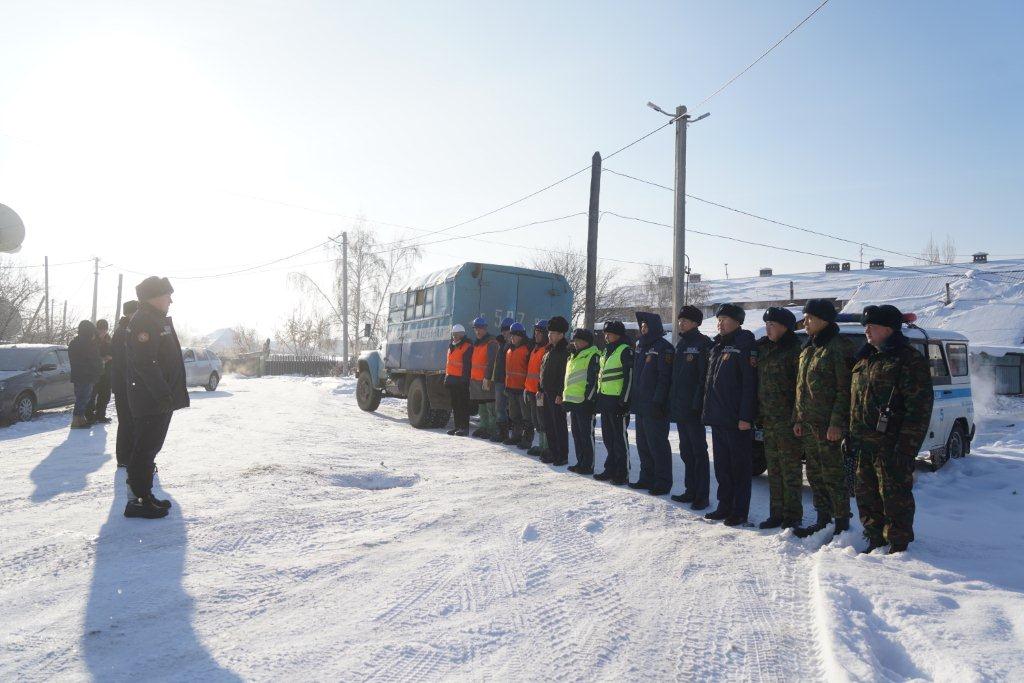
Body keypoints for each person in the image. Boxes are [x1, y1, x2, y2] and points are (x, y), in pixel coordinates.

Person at [850, 305, 933, 554]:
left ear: (888, 329)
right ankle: (875, 538)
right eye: (866, 326)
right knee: (866, 494)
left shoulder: (907, 359)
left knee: (894, 496)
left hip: (892, 444)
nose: (866, 331)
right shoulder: (865, 358)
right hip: (864, 443)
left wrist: (905, 448)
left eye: (871, 327)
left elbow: (919, 408)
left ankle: (898, 545)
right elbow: (855, 400)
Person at [125, 276, 189, 519]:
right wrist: (163, 394)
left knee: (150, 448)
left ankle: (144, 494)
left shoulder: (154, 319)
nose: (171, 300)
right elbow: (145, 364)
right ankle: (137, 500)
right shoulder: (144, 321)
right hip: (151, 399)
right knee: (145, 449)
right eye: (167, 295)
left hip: (158, 399)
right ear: (154, 297)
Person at [792, 299, 856, 538]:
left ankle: (841, 523)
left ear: (824, 321)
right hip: (809, 424)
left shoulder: (838, 347)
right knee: (814, 473)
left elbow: (844, 389)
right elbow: (801, 387)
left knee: (833, 474)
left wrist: (836, 423)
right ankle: (822, 518)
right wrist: (798, 418)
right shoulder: (809, 347)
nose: (805, 322)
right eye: (805, 317)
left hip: (828, 426)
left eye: (810, 318)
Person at [702, 304, 757, 526]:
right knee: (722, 467)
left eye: (724, 319)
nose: (720, 323)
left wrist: (745, 417)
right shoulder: (717, 347)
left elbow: (749, 385)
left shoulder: (744, 345)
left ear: (737, 321)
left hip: (737, 421)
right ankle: (724, 505)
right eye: (718, 319)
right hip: (718, 417)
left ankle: (739, 510)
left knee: (739, 468)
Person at [755, 307, 803, 530]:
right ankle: (776, 513)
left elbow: (801, 389)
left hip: (788, 420)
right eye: (766, 324)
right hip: (768, 419)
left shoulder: (796, 350)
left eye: (772, 325)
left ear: (785, 327)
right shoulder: (763, 348)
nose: (768, 328)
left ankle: (792, 516)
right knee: (773, 470)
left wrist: (797, 418)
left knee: (790, 471)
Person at [668, 306, 713, 509]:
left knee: (698, 452)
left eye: (685, 320)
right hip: (681, 407)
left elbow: (703, 379)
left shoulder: (702, 344)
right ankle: (690, 490)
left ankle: (702, 496)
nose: (681, 323)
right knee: (686, 451)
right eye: (680, 320)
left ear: (696, 323)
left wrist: (697, 405)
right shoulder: (681, 344)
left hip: (694, 410)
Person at [630, 312, 674, 496]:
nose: (643, 329)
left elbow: (665, 379)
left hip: (655, 407)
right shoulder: (640, 347)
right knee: (642, 444)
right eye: (641, 326)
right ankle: (646, 478)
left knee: (657, 446)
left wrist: (658, 402)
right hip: (640, 405)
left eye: (646, 326)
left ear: (654, 327)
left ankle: (662, 482)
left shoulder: (664, 348)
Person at [594, 321, 633, 484]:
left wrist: (624, 402)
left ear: (618, 334)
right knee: (608, 438)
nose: (606, 336)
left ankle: (622, 473)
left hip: (617, 402)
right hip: (605, 401)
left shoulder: (625, 350)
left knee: (619, 439)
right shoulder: (606, 350)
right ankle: (610, 469)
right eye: (605, 333)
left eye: (609, 333)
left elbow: (629, 378)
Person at [564, 328, 601, 475]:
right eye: (574, 340)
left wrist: (589, 399)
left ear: (586, 342)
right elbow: (569, 380)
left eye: (578, 340)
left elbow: (593, 380)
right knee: (577, 434)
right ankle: (580, 461)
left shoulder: (593, 355)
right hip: (574, 402)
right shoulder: (572, 356)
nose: (575, 343)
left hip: (585, 403)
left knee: (586, 435)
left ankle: (588, 464)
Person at [539, 316, 571, 466]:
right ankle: (553, 452)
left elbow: (564, 374)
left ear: (561, 334)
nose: (549, 336)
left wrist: (560, 393)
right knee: (549, 424)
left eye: (553, 333)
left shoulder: (565, 351)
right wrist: (540, 387)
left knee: (559, 425)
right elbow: (544, 370)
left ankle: (562, 454)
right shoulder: (550, 349)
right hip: (546, 392)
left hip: (557, 394)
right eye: (549, 333)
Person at [110, 301, 139, 467]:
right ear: (130, 313)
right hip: (123, 384)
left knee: (128, 421)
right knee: (126, 421)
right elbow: (123, 362)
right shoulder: (123, 332)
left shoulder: (125, 329)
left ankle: (126, 457)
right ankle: (124, 458)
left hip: (125, 383)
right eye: (136, 312)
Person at [68, 320, 103, 429]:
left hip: (78, 374)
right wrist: (99, 368)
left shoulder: (74, 342)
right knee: (83, 398)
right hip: (86, 375)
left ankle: (81, 419)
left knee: (81, 397)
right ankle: (76, 420)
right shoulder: (87, 344)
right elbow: (93, 359)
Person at [469, 317, 500, 439]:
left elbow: (491, 362)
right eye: (476, 329)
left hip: (486, 380)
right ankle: (483, 427)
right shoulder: (477, 343)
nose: (478, 331)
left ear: (485, 329)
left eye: (480, 329)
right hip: (477, 380)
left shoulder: (491, 342)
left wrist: (487, 378)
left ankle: (492, 429)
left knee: (490, 405)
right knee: (482, 405)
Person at [503, 323, 533, 447]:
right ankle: (516, 436)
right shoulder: (509, 349)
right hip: (511, 388)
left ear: (520, 336)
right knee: (514, 415)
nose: (512, 338)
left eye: (514, 335)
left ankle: (527, 439)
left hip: (522, 389)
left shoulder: (527, 349)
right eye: (511, 336)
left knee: (526, 416)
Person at [486, 318, 516, 443]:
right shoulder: (501, 344)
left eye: (507, 331)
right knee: (500, 407)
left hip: (508, 381)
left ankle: (510, 434)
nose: (504, 333)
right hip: (499, 380)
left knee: (509, 408)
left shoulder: (512, 346)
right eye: (503, 331)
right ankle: (502, 432)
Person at [523, 320, 550, 457]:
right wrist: (526, 388)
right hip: (531, 390)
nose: (537, 335)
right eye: (536, 332)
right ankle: (540, 445)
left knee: (542, 419)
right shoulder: (534, 349)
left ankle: (545, 446)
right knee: (536, 419)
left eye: (540, 332)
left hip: (540, 392)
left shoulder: (546, 349)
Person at [444, 324, 474, 436]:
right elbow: (449, 364)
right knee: (455, 405)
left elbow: (467, 365)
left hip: (461, 381)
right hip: (452, 380)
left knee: (463, 405)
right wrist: (447, 378)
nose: (455, 336)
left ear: (462, 334)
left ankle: (464, 428)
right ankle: (457, 427)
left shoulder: (467, 346)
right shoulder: (451, 346)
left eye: (457, 334)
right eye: (453, 334)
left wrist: (464, 380)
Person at [86, 319, 114, 424]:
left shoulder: (109, 340)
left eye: (105, 330)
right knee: (92, 395)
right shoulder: (92, 340)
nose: (103, 332)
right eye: (101, 329)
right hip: (94, 372)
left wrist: (111, 357)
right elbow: (89, 355)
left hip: (107, 372)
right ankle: (89, 415)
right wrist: (101, 359)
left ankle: (101, 415)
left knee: (105, 394)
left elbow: (114, 351)